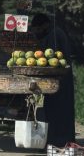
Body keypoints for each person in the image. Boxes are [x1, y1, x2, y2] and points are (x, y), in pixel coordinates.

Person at [31, 13, 75, 147]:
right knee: (60, 110)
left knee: (58, 111)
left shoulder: (54, 35)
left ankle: (58, 142)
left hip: (60, 79)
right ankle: (60, 140)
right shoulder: (55, 32)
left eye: (38, 29)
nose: (37, 33)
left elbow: (51, 60)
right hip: (62, 78)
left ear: (45, 25)